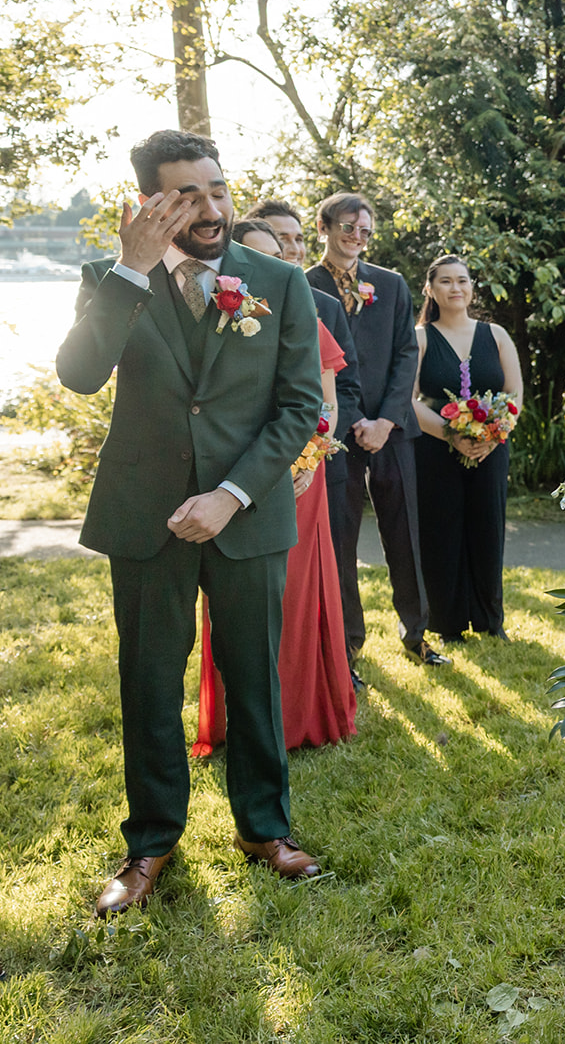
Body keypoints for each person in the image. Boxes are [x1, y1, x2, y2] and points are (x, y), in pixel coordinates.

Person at [57, 130, 325, 917]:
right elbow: (77, 376)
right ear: (151, 203)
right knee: (147, 682)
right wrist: (132, 270)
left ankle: (264, 828)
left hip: (245, 515)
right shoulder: (108, 278)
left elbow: (299, 406)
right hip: (145, 514)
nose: (211, 209)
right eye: (188, 195)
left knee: (253, 678)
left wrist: (231, 494)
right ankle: (149, 844)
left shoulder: (279, 279)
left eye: (217, 188)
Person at [192, 220, 357, 754]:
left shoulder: (300, 310)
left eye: (279, 253)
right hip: (226, 476)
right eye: (256, 253)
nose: (272, 264)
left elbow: (323, 402)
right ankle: (233, 723)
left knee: (298, 596)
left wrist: (308, 456)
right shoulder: (207, 314)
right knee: (236, 603)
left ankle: (303, 714)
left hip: (301, 474)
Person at [306, 193, 445, 667]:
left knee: (405, 530)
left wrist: (386, 420)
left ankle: (417, 633)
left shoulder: (391, 284)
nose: (356, 237)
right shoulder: (301, 285)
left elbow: (407, 353)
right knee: (340, 538)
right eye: (348, 226)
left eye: (365, 231)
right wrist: (351, 420)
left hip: (391, 427)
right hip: (335, 432)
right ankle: (348, 642)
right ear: (323, 227)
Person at [246, 199, 365, 687]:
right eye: (276, 242)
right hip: (239, 472)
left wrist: (310, 457)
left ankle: (322, 680)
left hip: (306, 470)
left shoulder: (321, 312)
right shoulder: (221, 308)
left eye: (293, 241)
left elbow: (334, 396)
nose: (287, 251)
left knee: (312, 585)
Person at [410, 255, 523, 641]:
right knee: (441, 531)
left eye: (462, 280)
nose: (455, 288)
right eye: (445, 281)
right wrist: (451, 434)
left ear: (472, 287)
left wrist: (492, 434)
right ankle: (447, 624)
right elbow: (407, 399)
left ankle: (492, 621)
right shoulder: (421, 337)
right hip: (435, 450)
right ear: (430, 289)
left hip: (491, 449)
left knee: (488, 529)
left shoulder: (496, 335)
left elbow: (515, 392)